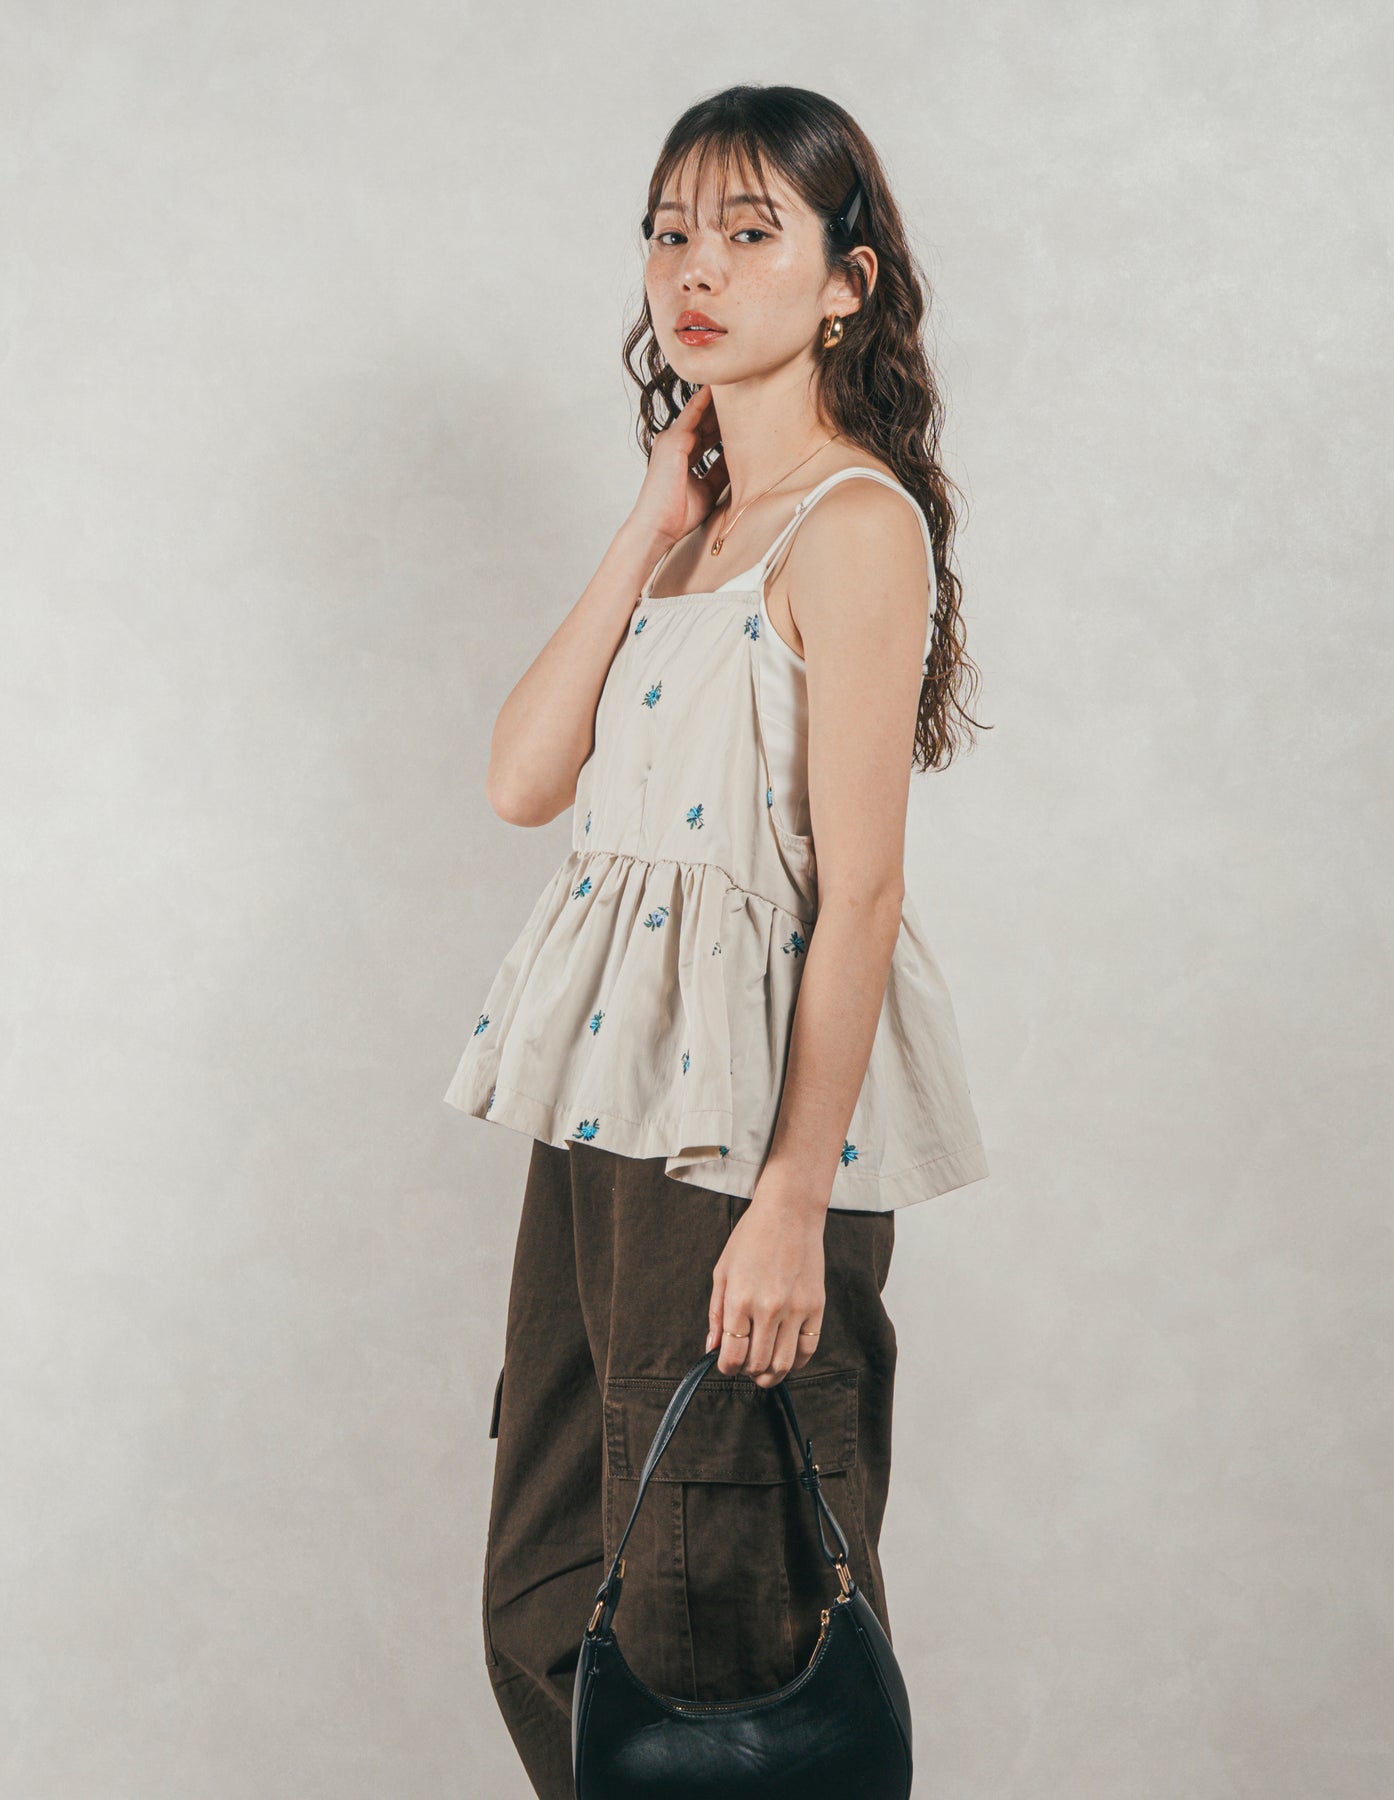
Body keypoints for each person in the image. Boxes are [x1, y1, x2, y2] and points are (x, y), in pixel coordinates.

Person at [443, 84, 989, 1800]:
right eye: (672, 232)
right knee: (554, 1584)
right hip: (608, 1108)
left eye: (752, 234)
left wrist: (794, 1203)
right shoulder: (702, 541)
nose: (697, 268)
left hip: (743, 1134)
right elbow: (523, 781)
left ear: (846, 283)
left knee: (713, 1590)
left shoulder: (855, 525)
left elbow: (862, 896)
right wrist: (649, 526)